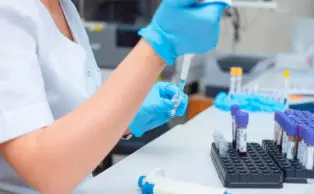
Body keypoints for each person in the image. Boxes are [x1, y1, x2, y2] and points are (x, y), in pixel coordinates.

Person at [0, 0, 226, 193]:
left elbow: (74, 118)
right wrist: (159, 45)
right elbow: (43, 169)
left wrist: (126, 118)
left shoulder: (64, 7)